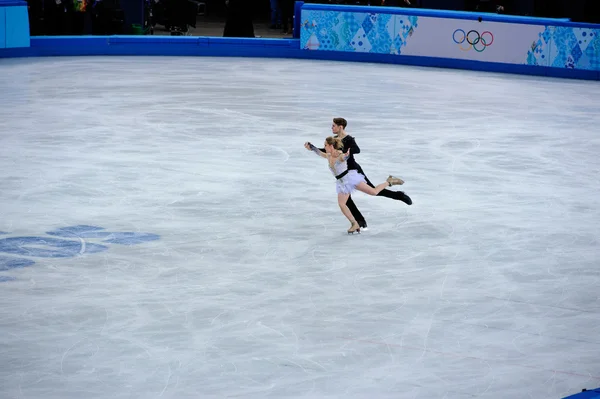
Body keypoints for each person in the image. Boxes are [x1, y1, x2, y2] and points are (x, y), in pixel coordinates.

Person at [306, 117, 412, 229]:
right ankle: (359, 222)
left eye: (333, 125)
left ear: (340, 127)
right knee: (347, 200)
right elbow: (326, 151)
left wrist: (344, 153)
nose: (331, 127)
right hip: (342, 171)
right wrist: (313, 148)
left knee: (373, 190)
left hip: (353, 170)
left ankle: (399, 195)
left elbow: (357, 150)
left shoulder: (349, 139)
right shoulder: (334, 140)